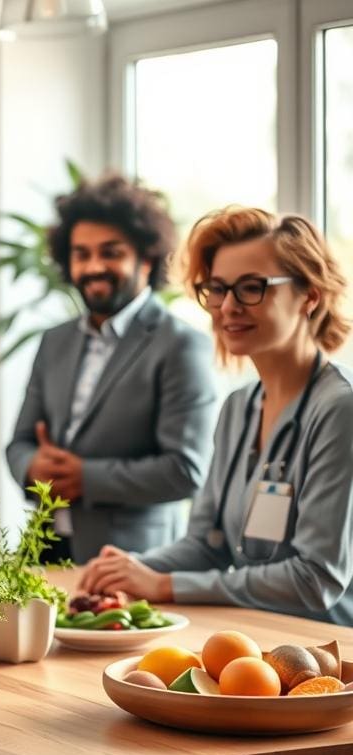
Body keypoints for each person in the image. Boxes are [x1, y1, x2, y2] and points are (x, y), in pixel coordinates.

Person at [80, 207, 353, 624]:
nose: (228, 306)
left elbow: (315, 579)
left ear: (309, 295)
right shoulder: (239, 407)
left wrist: (165, 586)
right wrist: (135, 569)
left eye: (251, 288)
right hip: (253, 637)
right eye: (217, 289)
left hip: (327, 659)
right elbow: (209, 545)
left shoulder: (339, 408)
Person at [6, 174, 218, 564]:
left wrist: (85, 477)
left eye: (111, 252)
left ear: (147, 258)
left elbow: (186, 469)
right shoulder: (55, 341)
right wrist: (32, 466)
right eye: (81, 254)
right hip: (45, 548)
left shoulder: (181, 344)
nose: (93, 266)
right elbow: (19, 442)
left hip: (134, 560)